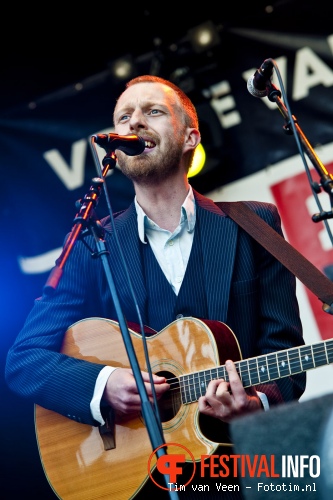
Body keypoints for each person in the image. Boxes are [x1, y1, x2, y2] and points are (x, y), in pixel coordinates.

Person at [5, 75, 306, 499]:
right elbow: (24, 360)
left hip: (241, 470)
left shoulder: (255, 223)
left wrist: (254, 405)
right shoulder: (93, 241)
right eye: (123, 117)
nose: (134, 123)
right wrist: (104, 385)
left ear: (189, 138)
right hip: (139, 477)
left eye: (153, 111)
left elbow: (285, 353)